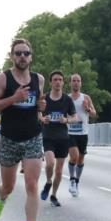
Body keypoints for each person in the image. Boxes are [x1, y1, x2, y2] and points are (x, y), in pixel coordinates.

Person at [0, 38, 47, 221]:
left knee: (32, 185)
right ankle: (1, 199)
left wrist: (40, 106)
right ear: (12, 56)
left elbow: (38, 107)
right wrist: (13, 98)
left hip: (32, 137)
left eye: (26, 53)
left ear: (31, 56)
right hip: (9, 138)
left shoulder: (39, 80)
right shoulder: (4, 78)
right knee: (9, 186)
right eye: (18, 53)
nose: (22, 57)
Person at [40, 71, 78, 207]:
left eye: (60, 80)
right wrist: (43, 119)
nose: (57, 82)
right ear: (50, 82)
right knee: (50, 164)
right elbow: (36, 113)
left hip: (63, 138)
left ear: (63, 83)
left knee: (59, 170)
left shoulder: (67, 100)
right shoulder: (44, 99)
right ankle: (48, 181)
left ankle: (54, 195)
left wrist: (66, 120)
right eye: (55, 80)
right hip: (48, 136)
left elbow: (75, 117)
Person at [67, 73, 97, 197]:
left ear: (81, 83)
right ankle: (72, 180)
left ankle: (77, 183)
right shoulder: (66, 98)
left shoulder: (86, 98)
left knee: (80, 159)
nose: (76, 83)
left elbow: (94, 113)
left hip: (83, 133)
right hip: (70, 132)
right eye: (73, 80)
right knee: (74, 156)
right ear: (70, 83)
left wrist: (88, 109)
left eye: (78, 81)